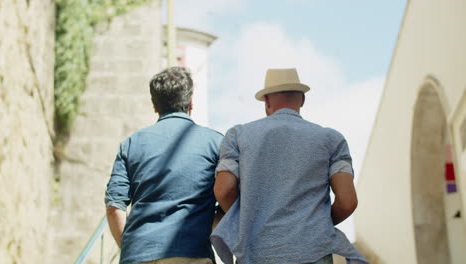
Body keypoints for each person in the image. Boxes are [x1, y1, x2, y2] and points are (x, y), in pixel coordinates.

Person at [211, 68, 368, 264]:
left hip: (257, 254)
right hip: (313, 251)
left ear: (267, 101)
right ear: (302, 100)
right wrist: (315, 225)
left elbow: (224, 190)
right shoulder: (332, 140)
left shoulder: (237, 136)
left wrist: (248, 222)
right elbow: (347, 202)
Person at [105, 67, 223, 264]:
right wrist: (207, 223)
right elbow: (231, 195)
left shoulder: (131, 144)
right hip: (192, 253)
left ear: (155, 105)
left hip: (138, 254)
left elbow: (114, 207)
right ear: (191, 102)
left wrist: (131, 248)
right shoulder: (216, 143)